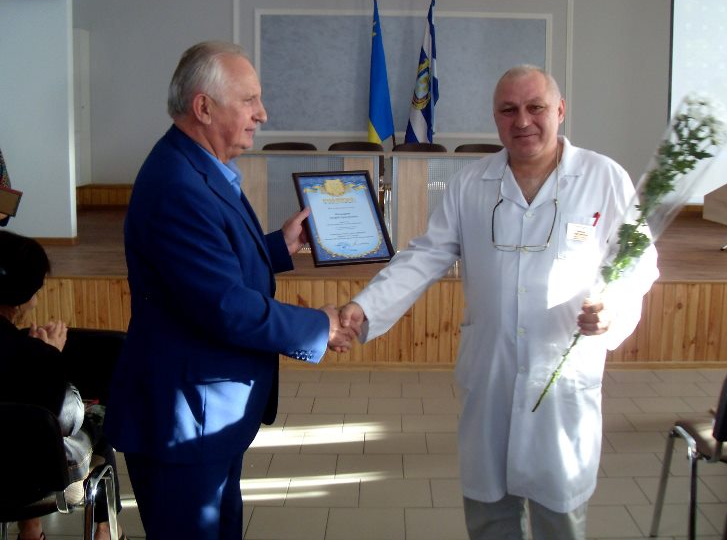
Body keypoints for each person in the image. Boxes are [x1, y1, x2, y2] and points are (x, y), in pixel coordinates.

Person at [340, 65, 659, 539]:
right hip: (491, 370)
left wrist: (613, 308)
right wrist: (366, 306)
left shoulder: (603, 177)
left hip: (562, 375)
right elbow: (426, 255)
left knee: (559, 514)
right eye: (508, 110)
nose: (522, 121)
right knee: (489, 512)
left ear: (560, 110)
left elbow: (639, 260)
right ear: (495, 118)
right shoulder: (471, 182)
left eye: (536, 108)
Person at [103, 40, 354, 540]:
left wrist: (279, 246)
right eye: (249, 100)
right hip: (183, 420)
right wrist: (319, 326)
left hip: (206, 416)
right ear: (203, 107)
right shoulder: (178, 184)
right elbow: (224, 305)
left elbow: (208, 267)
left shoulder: (198, 165)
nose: (262, 113)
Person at [0, 230, 124, 540]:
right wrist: (49, 355)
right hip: (29, 478)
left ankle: (31, 529)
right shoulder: (34, 355)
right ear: (24, 294)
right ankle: (104, 529)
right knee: (96, 415)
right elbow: (67, 418)